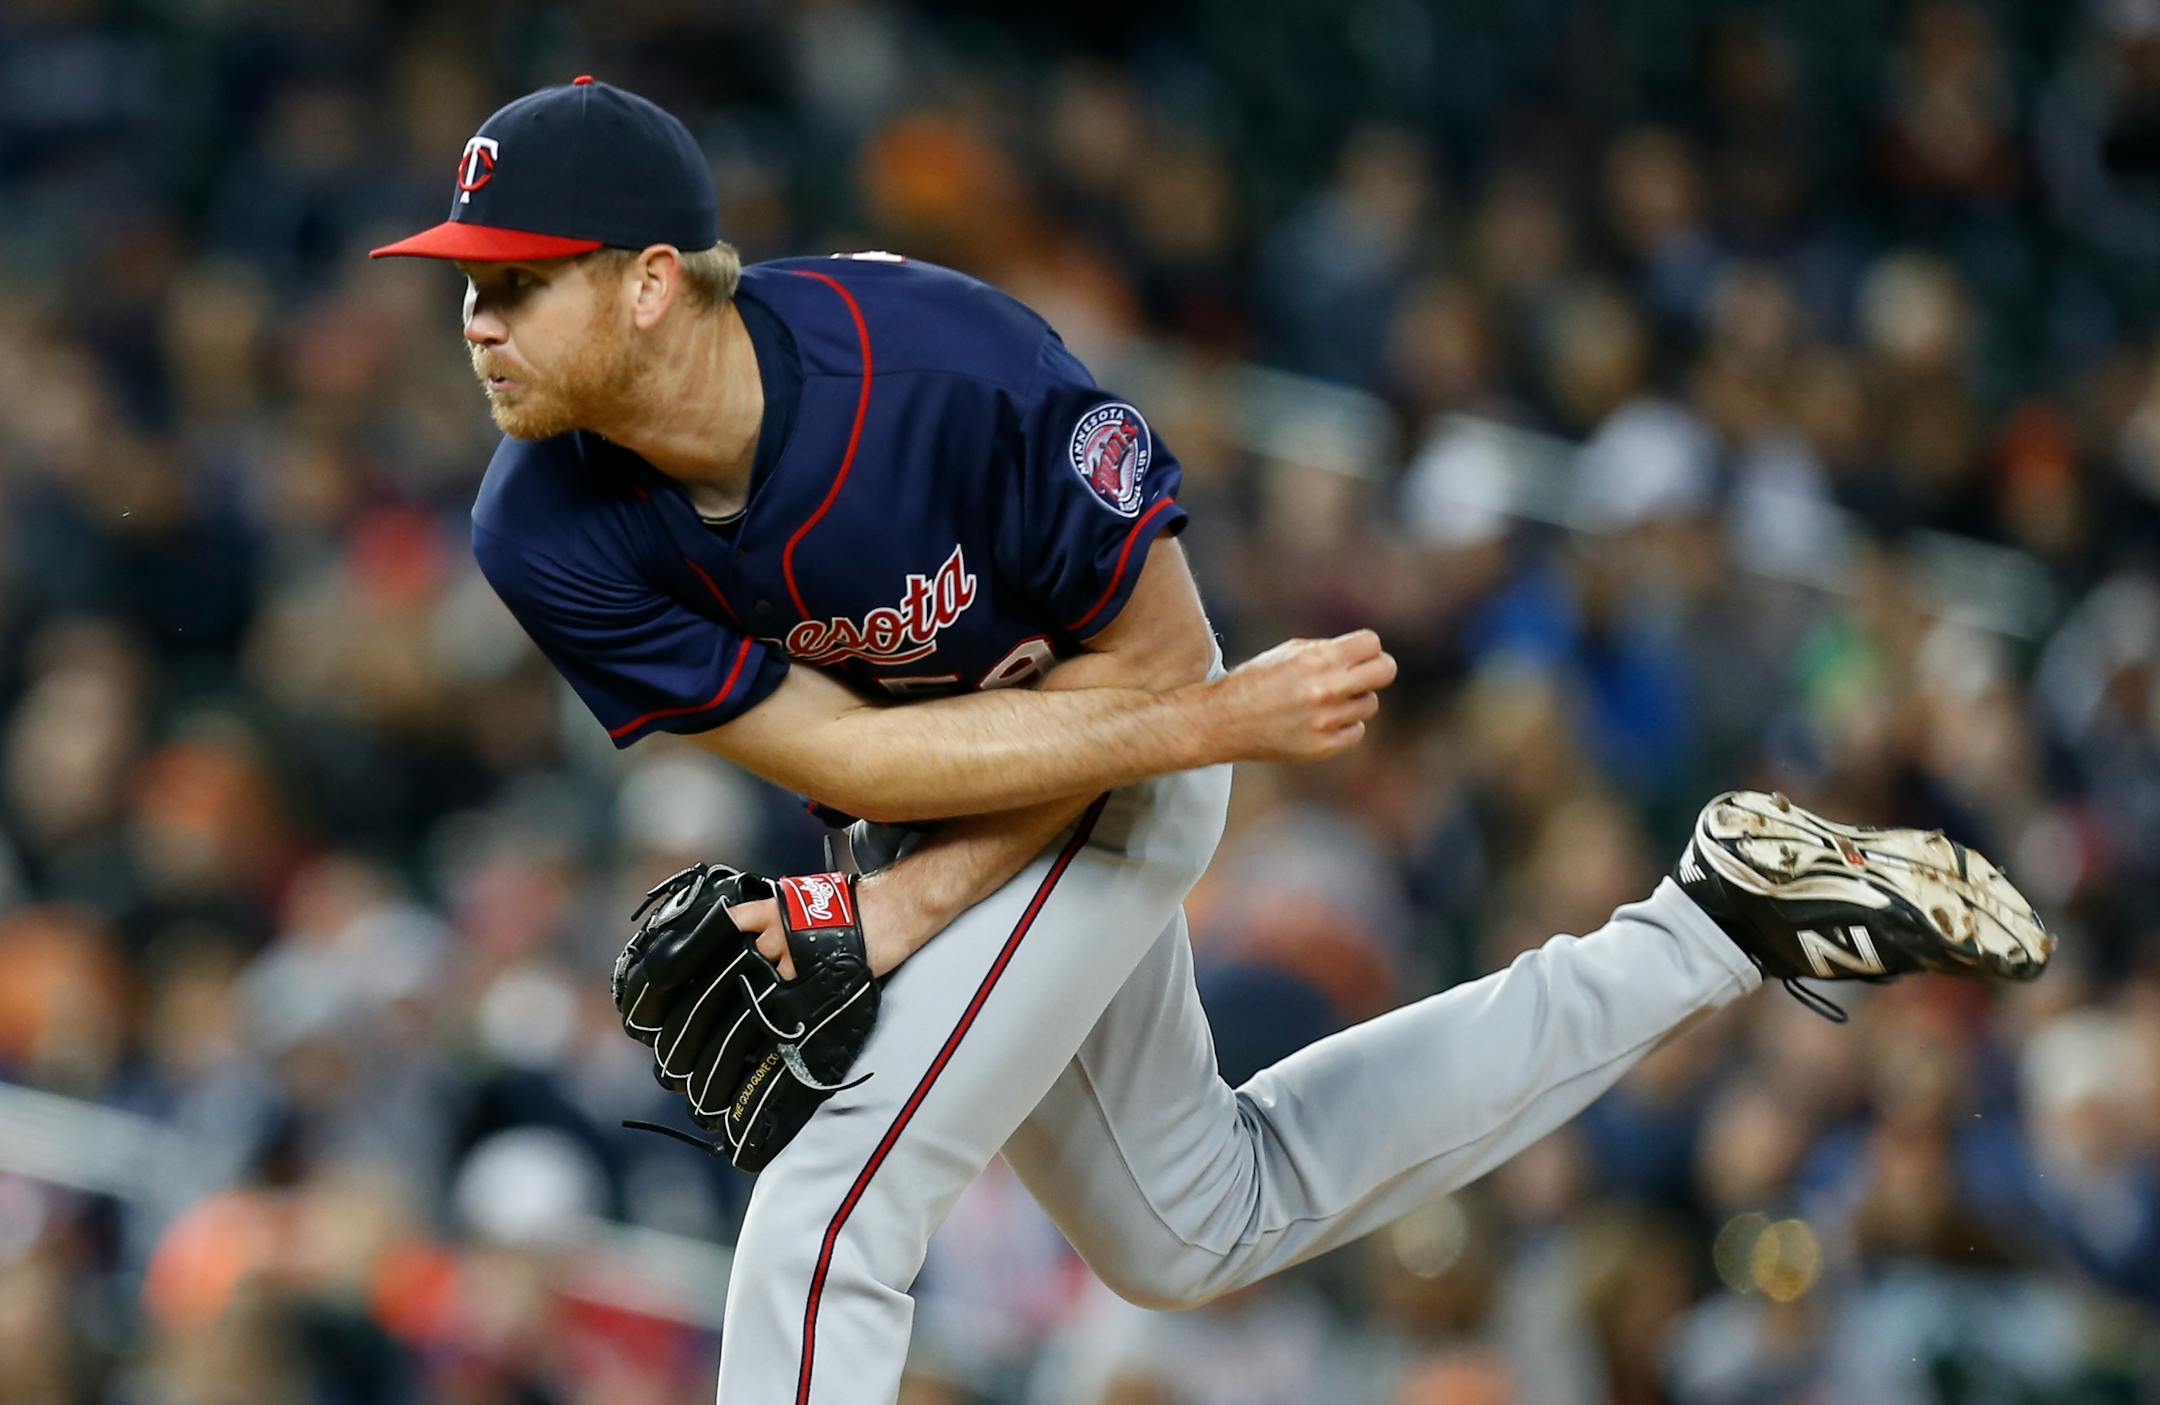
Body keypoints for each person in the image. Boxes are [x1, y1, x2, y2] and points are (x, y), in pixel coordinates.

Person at [371, 78, 2053, 1405]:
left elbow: (1159, 674)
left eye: (515, 283)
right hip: (967, 803)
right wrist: (886, 900)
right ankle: (1709, 927)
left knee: (819, 1228)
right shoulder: (541, 523)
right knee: (1198, 1225)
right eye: (465, 286)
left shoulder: (949, 367)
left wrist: (963, 871)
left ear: (653, 283)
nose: (477, 323)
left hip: (1128, 767)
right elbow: (855, 771)